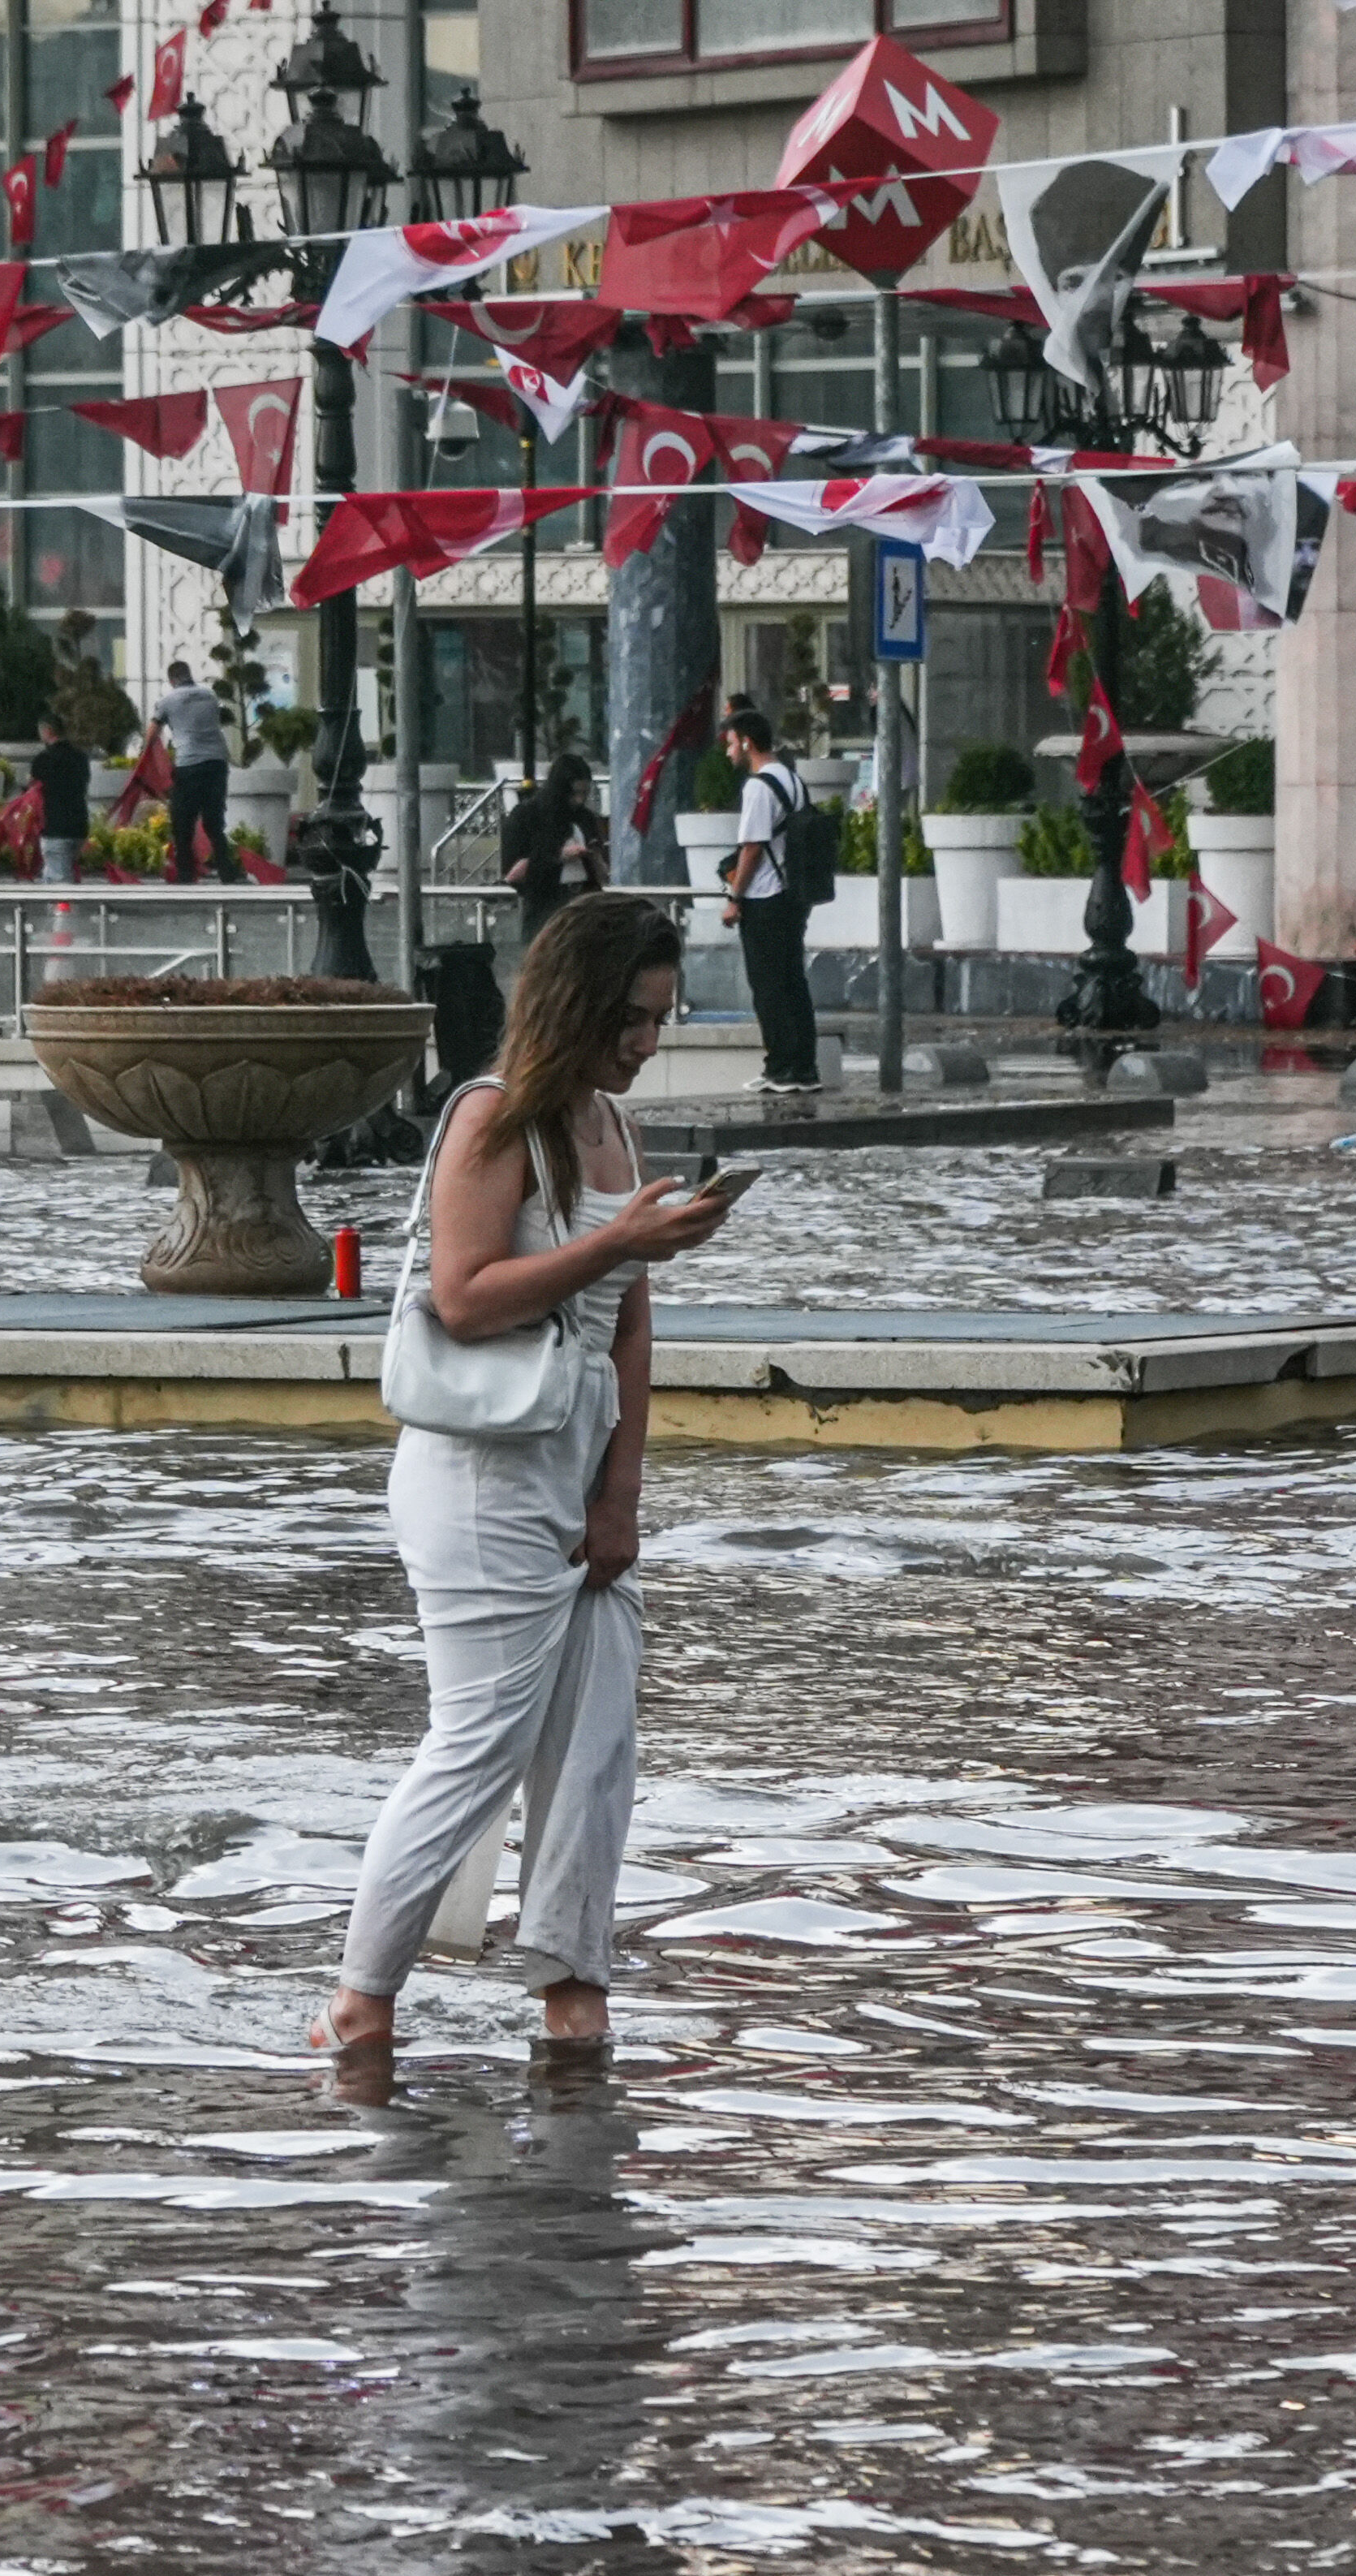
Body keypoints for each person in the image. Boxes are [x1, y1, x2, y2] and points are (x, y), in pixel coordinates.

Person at [320, 894, 734, 2070]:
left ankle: (572, 1992)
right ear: (579, 1005)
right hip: (479, 1474)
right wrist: (615, 1243)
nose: (648, 1043)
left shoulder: (609, 1122)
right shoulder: (496, 1121)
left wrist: (622, 1497)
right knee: (480, 1741)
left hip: (577, 1460)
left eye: (661, 1019)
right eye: (633, 1019)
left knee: (596, 1742)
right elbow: (463, 1296)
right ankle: (360, 2002)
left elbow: (631, 1329)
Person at [717, 709, 821, 1095]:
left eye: (730, 743)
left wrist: (734, 896)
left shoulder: (758, 787)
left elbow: (752, 848)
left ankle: (780, 1068)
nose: (728, 753)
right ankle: (804, 1068)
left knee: (768, 986)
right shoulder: (792, 780)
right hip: (793, 893)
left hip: (766, 897)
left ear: (746, 741)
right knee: (793, 980)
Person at [501, 752, 610, 938]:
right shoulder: (528, 816)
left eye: (584, 793)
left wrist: (596, 859)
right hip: (545, 904)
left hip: (585, 901)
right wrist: (559, 855)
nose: (580, 800)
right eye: (575, 793)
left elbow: (600, 864)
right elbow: (513, 869)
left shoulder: (585, 818)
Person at [157, 659, 231, 884]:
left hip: (189, 764)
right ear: (189, 674)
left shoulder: (167, 701)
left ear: (171, 680)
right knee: (214, 821)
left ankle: (185, 874)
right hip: (217, 762)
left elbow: (153, 730)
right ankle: (227, 872)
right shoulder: (209, 696)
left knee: (183, 822)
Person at [31, 714, 91, 885]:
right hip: (79, 825)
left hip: (55, 826)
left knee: (59, 877)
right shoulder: (80, 757)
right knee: (68, 870)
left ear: (48, 731)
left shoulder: (43, 760)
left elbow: (33, 790)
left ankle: (62, 910)